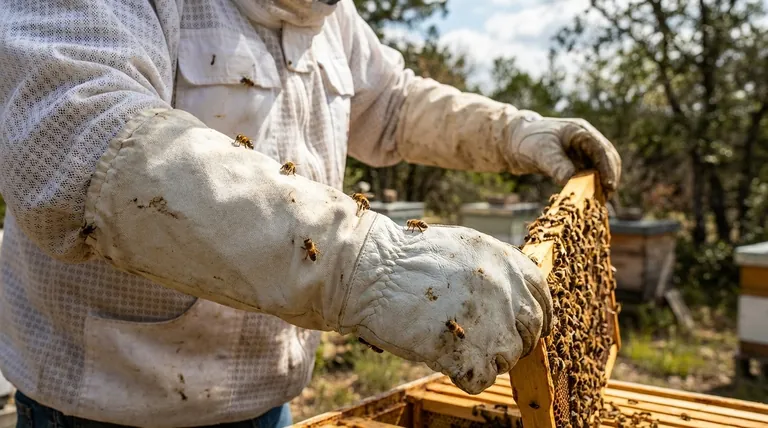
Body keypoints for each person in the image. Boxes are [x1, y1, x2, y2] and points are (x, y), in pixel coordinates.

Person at [0, 0, 621, 427]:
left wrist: (516, 133)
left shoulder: (332, 18)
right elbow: (77, 139)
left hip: (267, 399)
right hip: (102, 406)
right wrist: (378, 269)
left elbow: (394, 105)